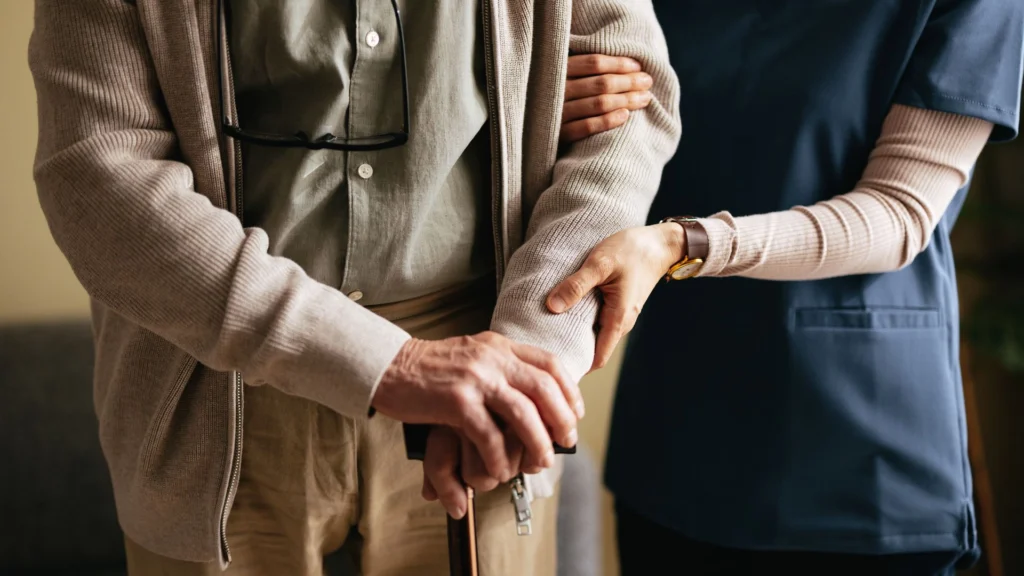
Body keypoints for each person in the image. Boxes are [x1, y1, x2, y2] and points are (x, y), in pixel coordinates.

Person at [29, 0, 679, 574]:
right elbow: (96, 177)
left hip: (484, 359)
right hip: (213, 380)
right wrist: (388, 362)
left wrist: (530, 359)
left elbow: (629, 108)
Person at [548, 1, 1024, 574]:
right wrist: (559, 107)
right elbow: (631, 139)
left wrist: (688, 245)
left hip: (853, 457)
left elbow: (899, 213)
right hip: (677, 432)